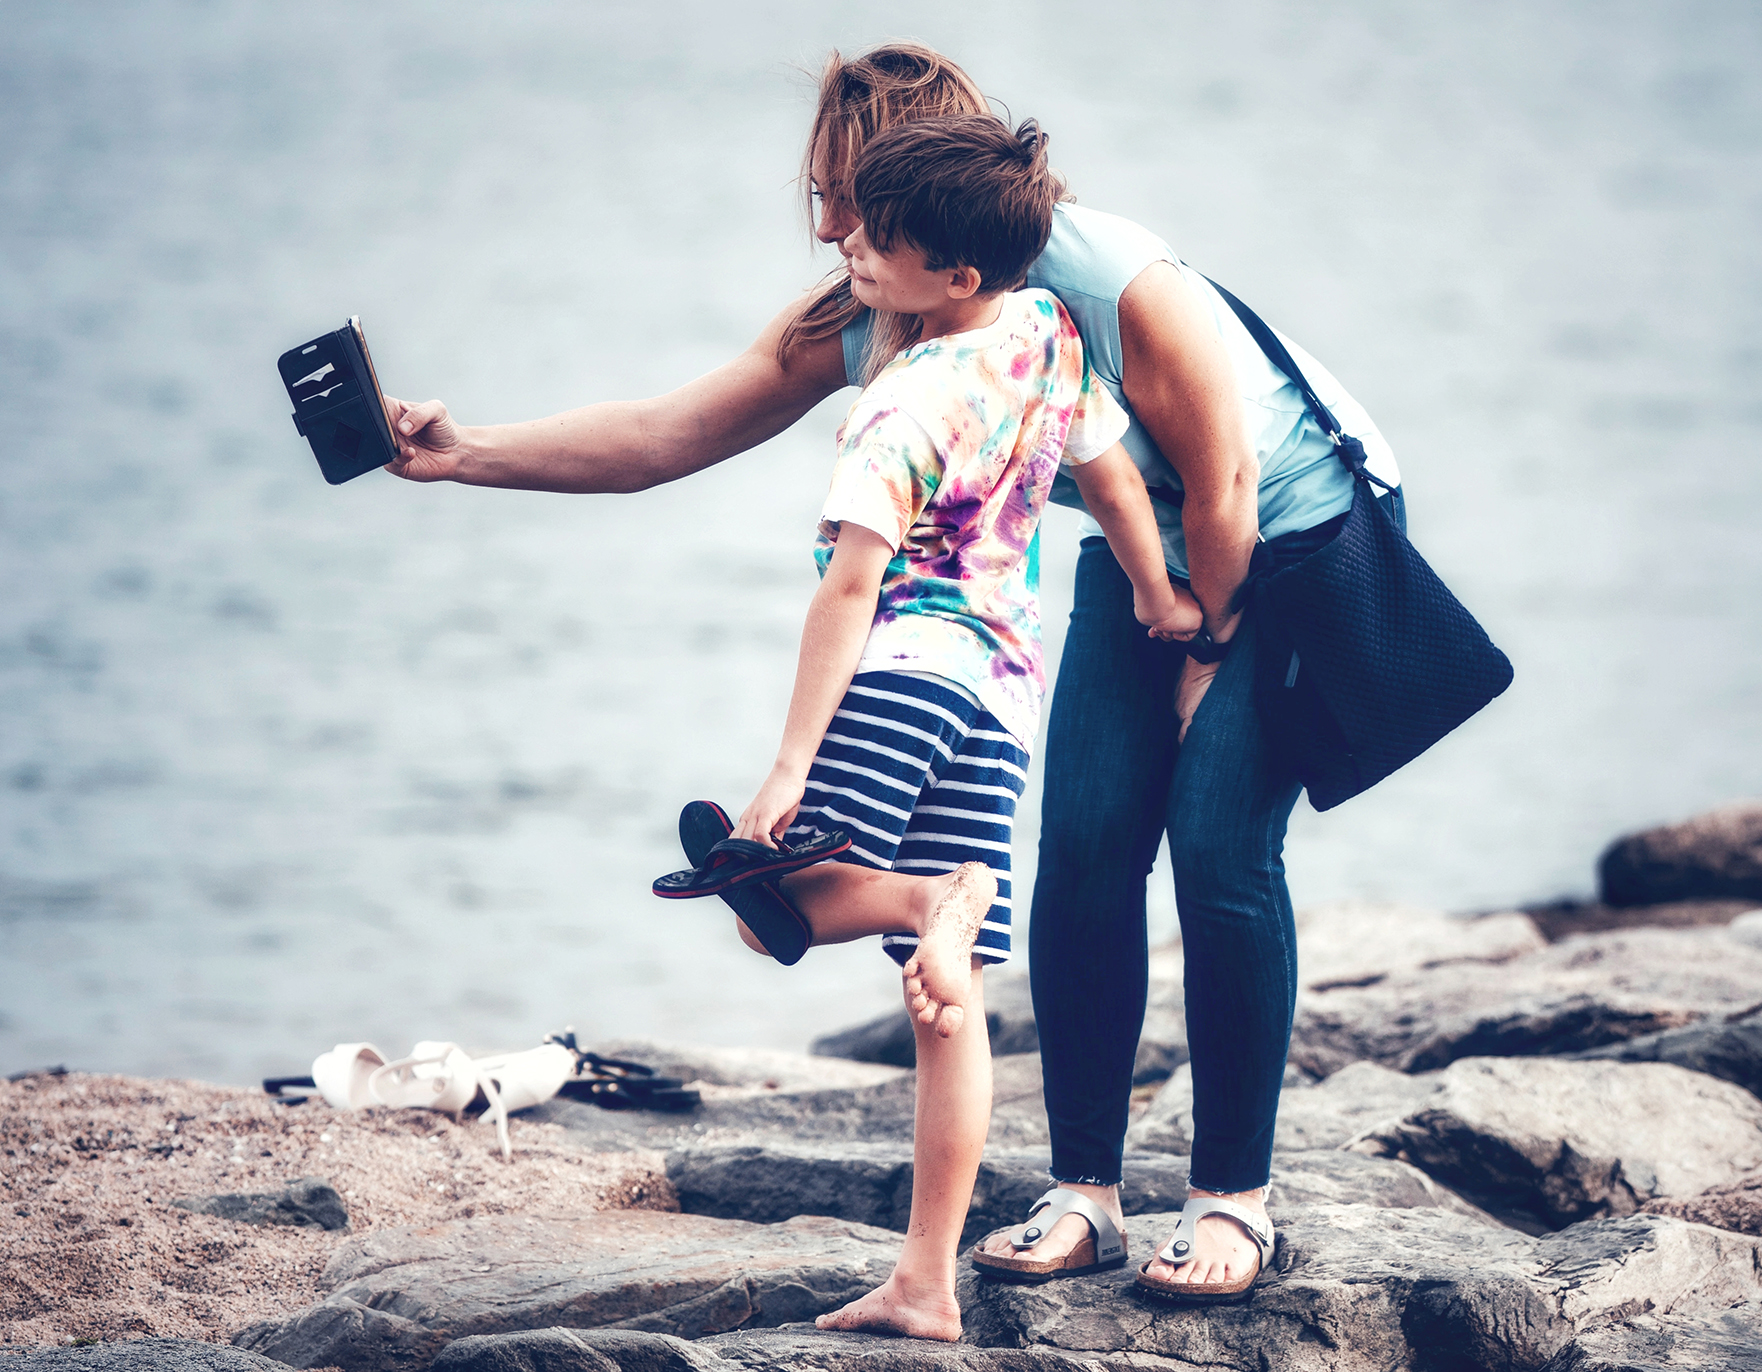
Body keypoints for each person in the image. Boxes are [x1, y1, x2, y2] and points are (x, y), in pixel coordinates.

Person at [382, 42, 1400, 1304]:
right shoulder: (884, 309)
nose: (825, 229)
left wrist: (1206, 638)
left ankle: (1232, 1204)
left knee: (1217, 840)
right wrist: (459, 451)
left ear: (927, 197)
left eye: (842, 199)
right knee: (1083, 841)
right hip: (1149, 554)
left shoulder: (1101, 274)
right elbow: (665, 436)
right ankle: (1085, 1193)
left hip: (1291, 543)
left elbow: (1230, 480)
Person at [654, 113, 1199, 1338]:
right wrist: (1161, 597)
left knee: (776, 909)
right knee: (944, 1007)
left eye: (876, 245)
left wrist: (786, 767)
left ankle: (917, 901)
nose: (848, 251)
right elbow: (1111, 479)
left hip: (901, 671)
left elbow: (848, 586)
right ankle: (927, 1280)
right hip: (1004, 695)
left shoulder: (901, 403)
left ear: (953, 275)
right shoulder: (1048, 332)